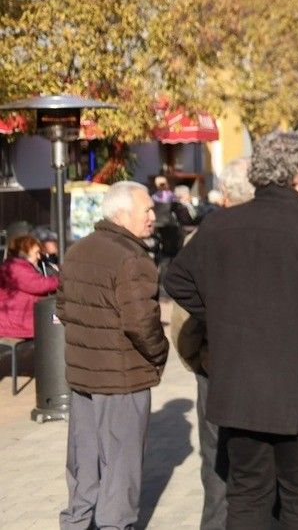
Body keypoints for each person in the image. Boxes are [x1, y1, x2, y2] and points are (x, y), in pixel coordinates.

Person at [164, 131, 298, 530]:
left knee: (247, 498)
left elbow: (178, 282)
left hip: (243, 388)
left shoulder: (221, 225)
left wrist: (222, 315)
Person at [57, 181, 168, 530]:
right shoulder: (132, 258)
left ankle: (78, 521)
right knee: (121, 463)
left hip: (84, 375)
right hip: (122, 377)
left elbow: (63, 309)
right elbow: (142, 323)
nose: (153, 216)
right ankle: (113, 525)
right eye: (146, 210)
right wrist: (159, 355)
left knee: (84, 460)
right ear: (122, 215)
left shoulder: (77, 251)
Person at [170, 156, 253, 530]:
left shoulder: (204, 235)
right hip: (252, 368)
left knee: (217, 464)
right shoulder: (275, 234)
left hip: (215, 366)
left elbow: (181, 320)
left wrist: (198, 356)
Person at [0, 234, 59, 338]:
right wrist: (62, 280)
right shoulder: (16, 268)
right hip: (16, 325)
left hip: (15, 323)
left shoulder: (15, 267)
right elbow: (39, 285)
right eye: (36, 253)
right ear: (24, 253)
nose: (39, 257)